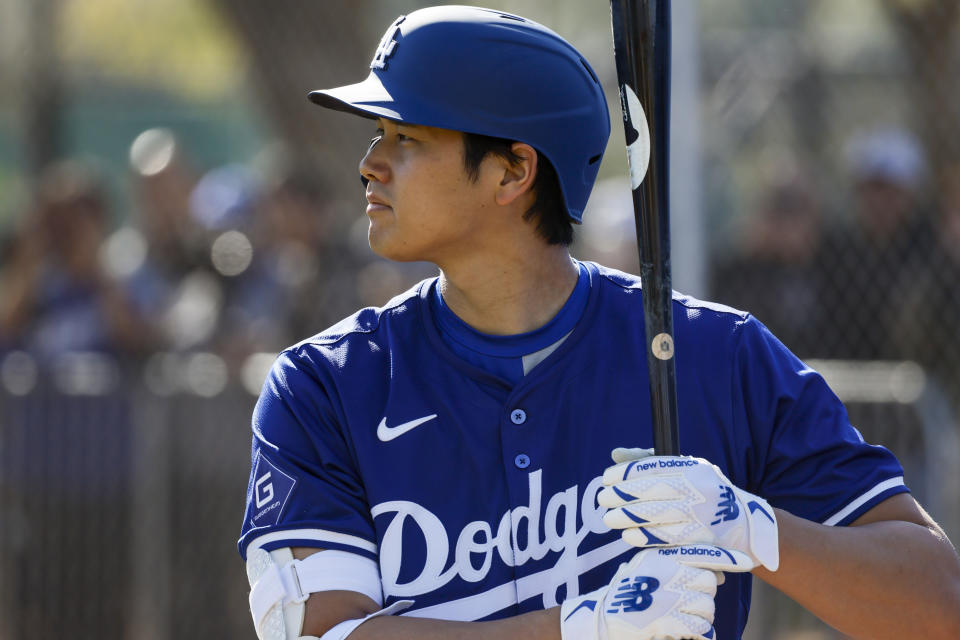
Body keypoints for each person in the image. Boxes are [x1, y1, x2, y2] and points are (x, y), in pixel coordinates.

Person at [237, 7, 960, 640]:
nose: (370, 165)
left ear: (512, 173)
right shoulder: (325, 386)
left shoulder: (715, 355)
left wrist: (754, 531)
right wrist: (578, 629)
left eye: (406, 138)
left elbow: (936, 605)